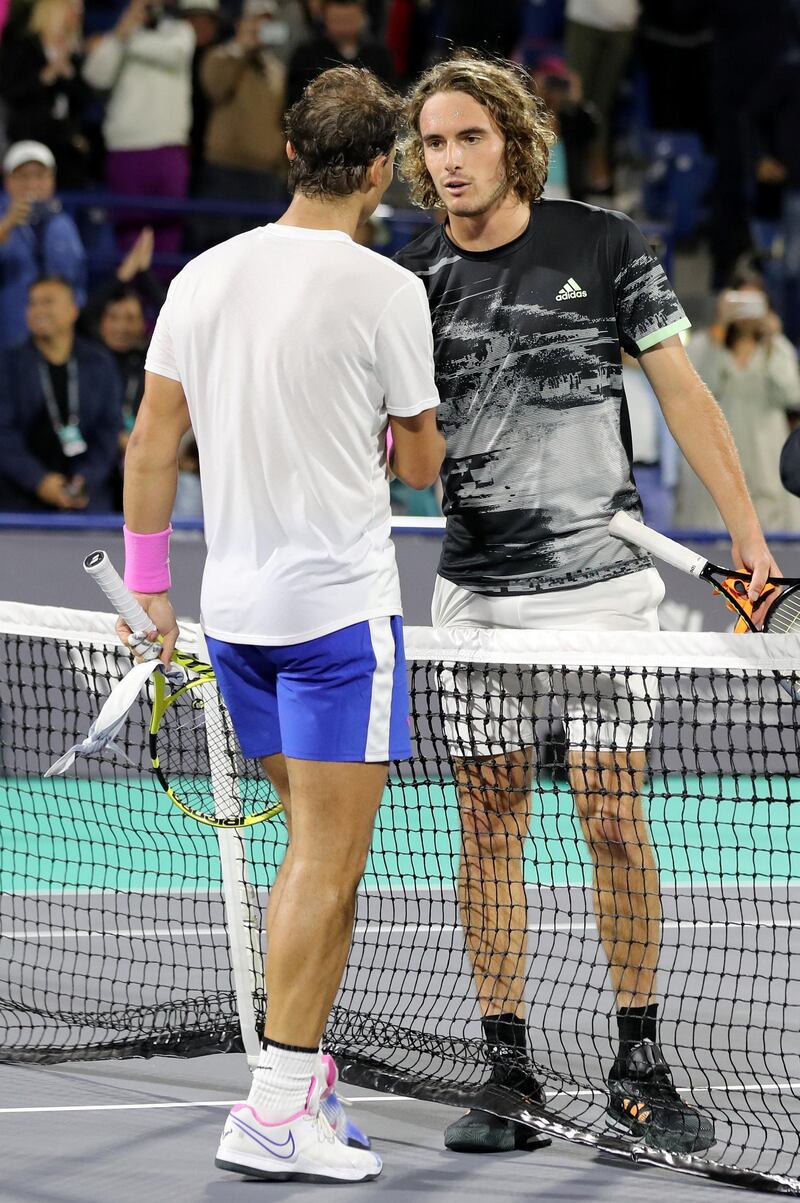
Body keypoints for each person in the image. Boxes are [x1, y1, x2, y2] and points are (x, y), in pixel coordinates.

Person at [395, 51, 777, 1156]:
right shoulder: (413, 282)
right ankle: (506, 1065)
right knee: (488, 831)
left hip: (607, 599)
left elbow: (684, 391)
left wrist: (744, 538)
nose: (450, 160)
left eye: (467, 137)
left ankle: (638, 1059)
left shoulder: (605, 243)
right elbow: (412, 461)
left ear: (512, 141)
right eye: (431, 143)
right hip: (477, 601)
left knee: (612, 822)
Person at [118, 65, 444, 1183]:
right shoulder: (386, 290)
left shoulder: (202, 276)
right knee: (325, 858)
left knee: (318, 859)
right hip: (337, 623)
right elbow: (420, 461)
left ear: (294, 156)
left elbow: (153, 438)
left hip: (235, 618)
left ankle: (301, 1088)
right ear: (378, 169)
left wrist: (154, 586)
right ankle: (269, 1105)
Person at [673, 281, 800, 531]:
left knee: (771, 526)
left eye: (753, 304)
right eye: (738, 302)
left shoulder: (778, 348)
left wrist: (772, 340)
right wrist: (720, 329)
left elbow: (792, 395)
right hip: (719, 450)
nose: (745, 312)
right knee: (716, 522)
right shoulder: (704, 344)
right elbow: (694, 390)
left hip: (766, 454)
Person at [0, 276, 122, 511]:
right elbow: (4, 434)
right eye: (32, 303)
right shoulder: (8, 363)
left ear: (73, 310)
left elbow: (108, 431)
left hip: (87, 499)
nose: (38, 310)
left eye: (48, 302)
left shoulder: (99, 363)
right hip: (19, 499)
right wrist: (39, 481)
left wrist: (84, 480)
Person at [82, 0, 195, 254]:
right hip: (126, 149)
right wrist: (121, 32)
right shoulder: (118, 37)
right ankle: (131, 295)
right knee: (129, 236)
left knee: (168, 236)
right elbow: (95, 75)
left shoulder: (180, 31)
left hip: (168, 147)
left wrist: (122, 42)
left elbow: (175, 54)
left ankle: (163, 294)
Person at [199, 0, 287, 231]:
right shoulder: (219, 56)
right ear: (240, 24)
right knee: (221, 242)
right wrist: (242, 47)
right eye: (255, 20)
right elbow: (216, 88)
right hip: (225, 171)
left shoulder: (276, 69)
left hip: (264, 175)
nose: (261, 27)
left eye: (267, 22)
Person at [0, 140, 87, 350]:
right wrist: (7, 225)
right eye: (23, 176)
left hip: (54, 338)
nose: (31, 184)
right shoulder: (3, 219)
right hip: (7, 336)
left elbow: (77, 279)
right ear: (7, 181)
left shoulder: (63, 223)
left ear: (52, 180)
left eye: (39, 175)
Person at [0, 0, 93, 188]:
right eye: (73, 8)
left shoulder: (73, 52)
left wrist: (68, 74)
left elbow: (84, 100)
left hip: (65, 145)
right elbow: (11, 92)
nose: (78, 14)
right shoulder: (24, 47)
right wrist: (46, 75)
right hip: (28, 138)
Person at [286, 0, 394, 110]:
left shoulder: (378, 54)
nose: (343, 28)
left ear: (362, 17)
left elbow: (391, 96)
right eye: (336, 21)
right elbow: (294, 103)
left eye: (349, 20)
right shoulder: (306, 54)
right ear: (324, 19)